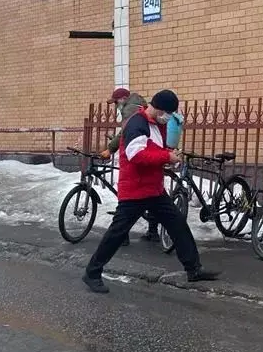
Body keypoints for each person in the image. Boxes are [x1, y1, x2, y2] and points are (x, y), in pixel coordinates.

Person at [83, 90, 219, 294]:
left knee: (177, 224)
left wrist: (168, 157)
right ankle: (92, 273)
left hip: (154, 189)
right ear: (157, 108)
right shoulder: (137, 122)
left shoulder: (158, 124)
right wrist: (166, 156)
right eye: (167, 113)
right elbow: (136, 154)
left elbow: (154, 151)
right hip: (135, 190)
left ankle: (193, 269)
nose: (169, 117)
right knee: (117, 233)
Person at [103, 87, 160, 245]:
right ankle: (153, 231)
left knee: (127, 198)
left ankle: (123, 236)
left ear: (122, 99)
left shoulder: (130, 109)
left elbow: (126, 132)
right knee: (150, 194)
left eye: (116, 102)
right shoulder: (138, 105)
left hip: (134, 157)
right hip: (147, 152)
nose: (116, 106)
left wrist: (111, 147)